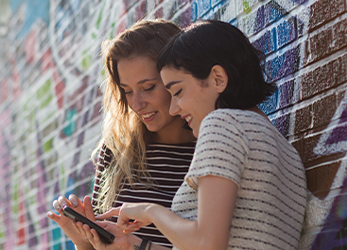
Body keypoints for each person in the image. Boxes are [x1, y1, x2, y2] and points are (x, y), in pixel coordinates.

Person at [82, 20, 307, 250]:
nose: (174, 108)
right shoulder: (283, 148)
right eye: (127, 91)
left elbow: (208, 244)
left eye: (178, 91)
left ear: (218, 78)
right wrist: (134, 246)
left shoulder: (221, 125)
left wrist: (150, 211)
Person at [46, 19, 196, 250]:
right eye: (126, 91)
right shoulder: (117, 150)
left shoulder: (209, 149)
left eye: (148, 88)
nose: (137, 103)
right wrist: (80, 238)